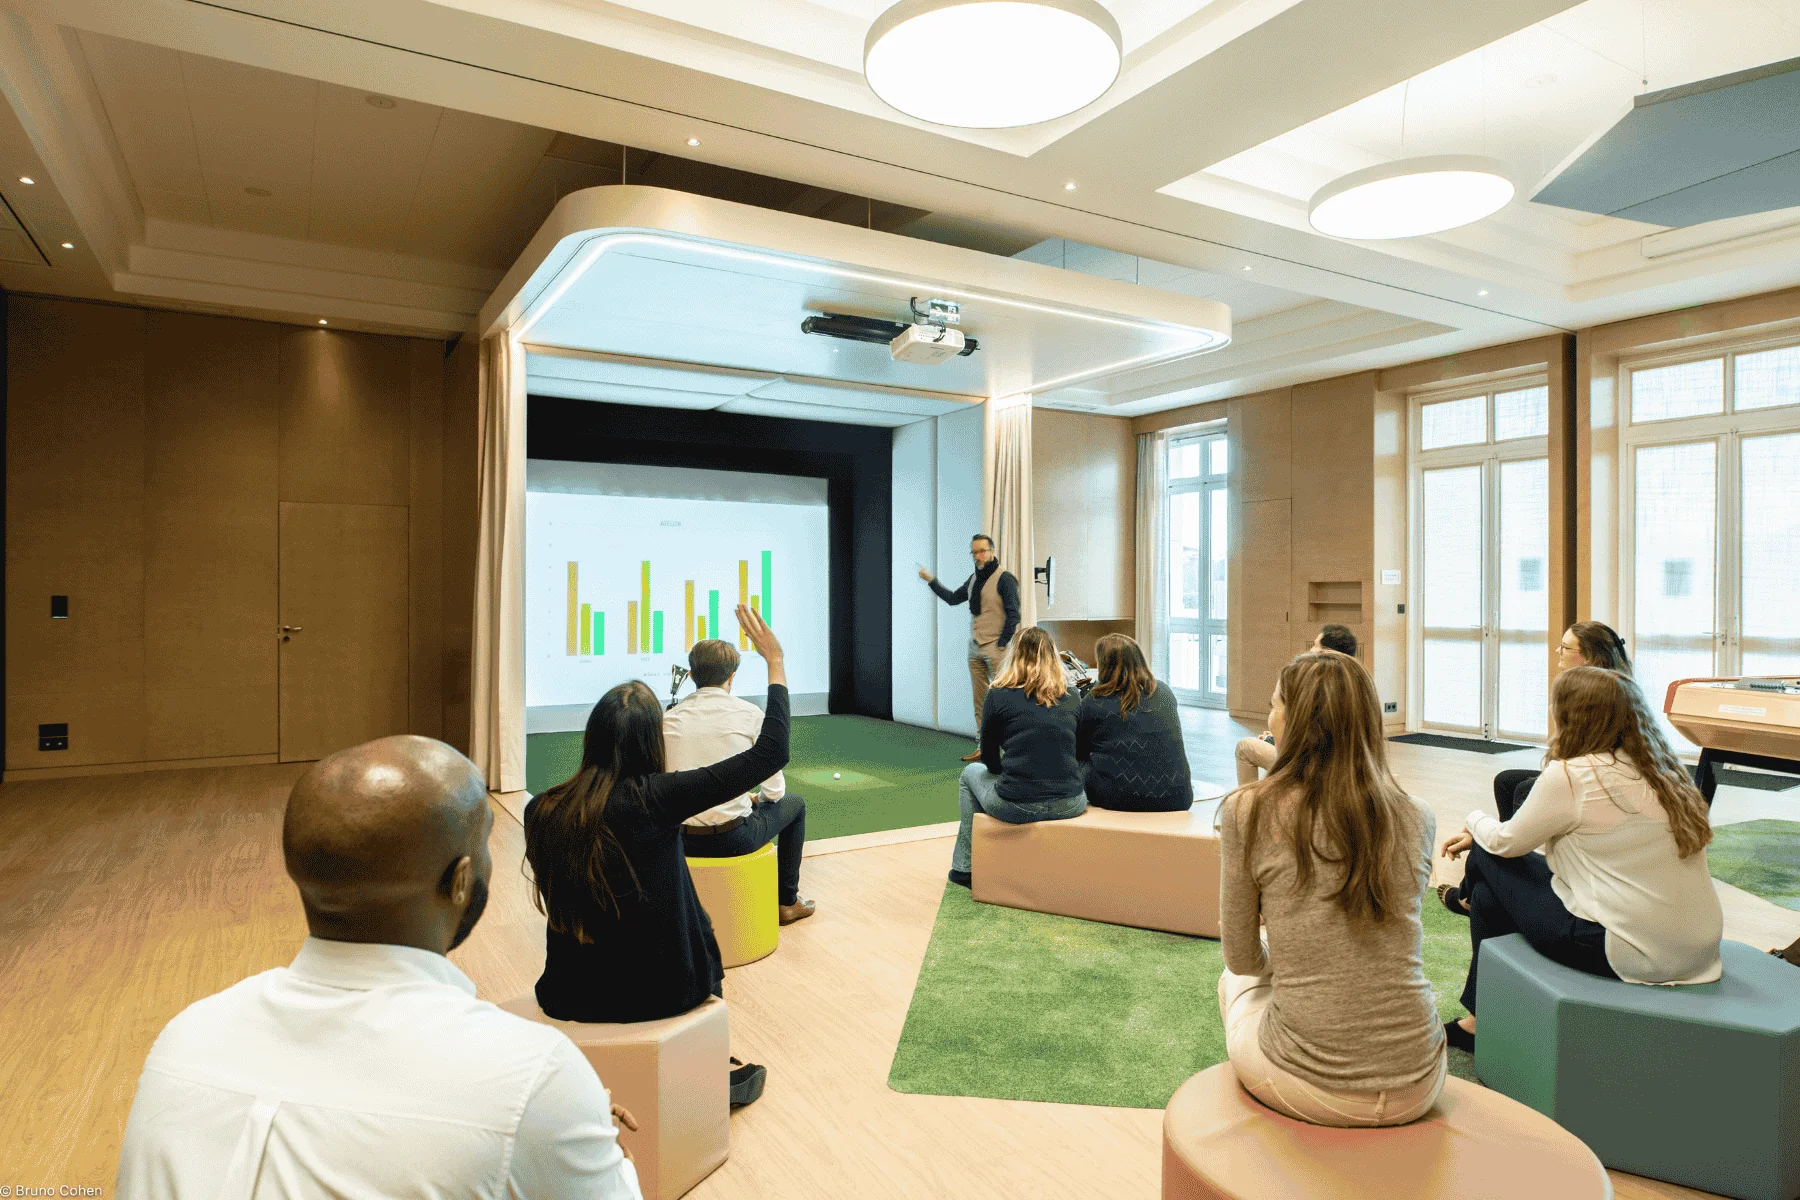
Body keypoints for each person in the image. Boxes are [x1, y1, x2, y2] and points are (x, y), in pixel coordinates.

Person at [117, 736, 642, 1199]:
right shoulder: (532, 1079)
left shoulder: (185, 1039)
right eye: (484, 842)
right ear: (460, 881)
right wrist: (586, 1141)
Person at [526, 604, 787, 1106]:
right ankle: (712, 1069)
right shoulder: (659, 798)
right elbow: (770, 753)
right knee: (698, 924)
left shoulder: (541, 809)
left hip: (566, 992)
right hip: (664, 994)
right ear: (652, 739)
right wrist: (774, 662)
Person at [1438, 666, 1722, 1053]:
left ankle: (1470, 925)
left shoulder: (1573, 775)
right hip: (1699, 949)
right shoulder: (1668, 772)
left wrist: (1474, 820)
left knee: (1487, 856)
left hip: (1624, 950)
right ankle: (1477, 1015)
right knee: (1489, 895)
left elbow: (1505, 843)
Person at [1216, 651, 1445, 1127]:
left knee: (1233, 981)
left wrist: (1281, 959)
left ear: (1294, 722)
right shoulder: (1418, 815)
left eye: (1275, 706)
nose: (1269, 718)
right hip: (1421, 1077)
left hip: (1314, 1086)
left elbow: (1240, 957)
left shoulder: (1249, 810)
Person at [664, 637, 814, 925]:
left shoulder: (668, 718)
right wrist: (752, 799)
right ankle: (787, 902)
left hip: (678, 840)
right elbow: (775, 792)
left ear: (692, 675)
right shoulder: (750, 715)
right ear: (732, 677)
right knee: (795, 804)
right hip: (733, 839)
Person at [948, 625, 1086, 887]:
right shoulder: (1072, 695)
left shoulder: (998, 694)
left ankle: (965, 868)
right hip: (1071, 803)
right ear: (1053, 656)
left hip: (1017, 804)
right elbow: (1077, 751)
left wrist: (1010, 774)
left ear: (1015, 655)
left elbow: (989, 757)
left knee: (969, 774)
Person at [1487, 621, 1632, 827]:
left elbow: (1574, 759)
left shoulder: (1601, 696)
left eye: (1565, 647)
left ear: (1589, 656)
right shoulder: (1610, 685)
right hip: (1590, 773)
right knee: (1506, 781)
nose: (1559, 651)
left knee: (1523, 790)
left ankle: (1515, 839)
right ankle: (1508, 837)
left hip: (1601, 782)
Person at [919, 534, 1022, 761]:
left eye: (982, 551)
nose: (978, 556)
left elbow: (1014, 615)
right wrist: (931, 580)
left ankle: (1012, 751)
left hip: (996, 649)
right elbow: (953, 598)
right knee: (980, 701)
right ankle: (984, 747)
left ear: (992, 551)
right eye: (974, 552)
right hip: (975, 647)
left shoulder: (1005, 579)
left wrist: (1001, 644)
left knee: (1005, 699)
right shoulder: (974, 578)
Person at [1077, 633, 1193, 812]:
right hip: (1178, 797)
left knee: (1078, 762)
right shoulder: (1164, 691)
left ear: (1104, 665)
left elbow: (1079, 749)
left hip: (1122, 797)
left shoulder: (1094, 701)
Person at [1234, 624, 1358, 786]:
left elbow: (1311, 742)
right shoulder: (1358, 686)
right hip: (1347, 768)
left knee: (1244, 747)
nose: (1311, 650)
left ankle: (1250, 799)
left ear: (1326, 652)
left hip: (1310, 768)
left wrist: (1276, 740)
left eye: (1315, 645)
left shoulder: (1314, 687)